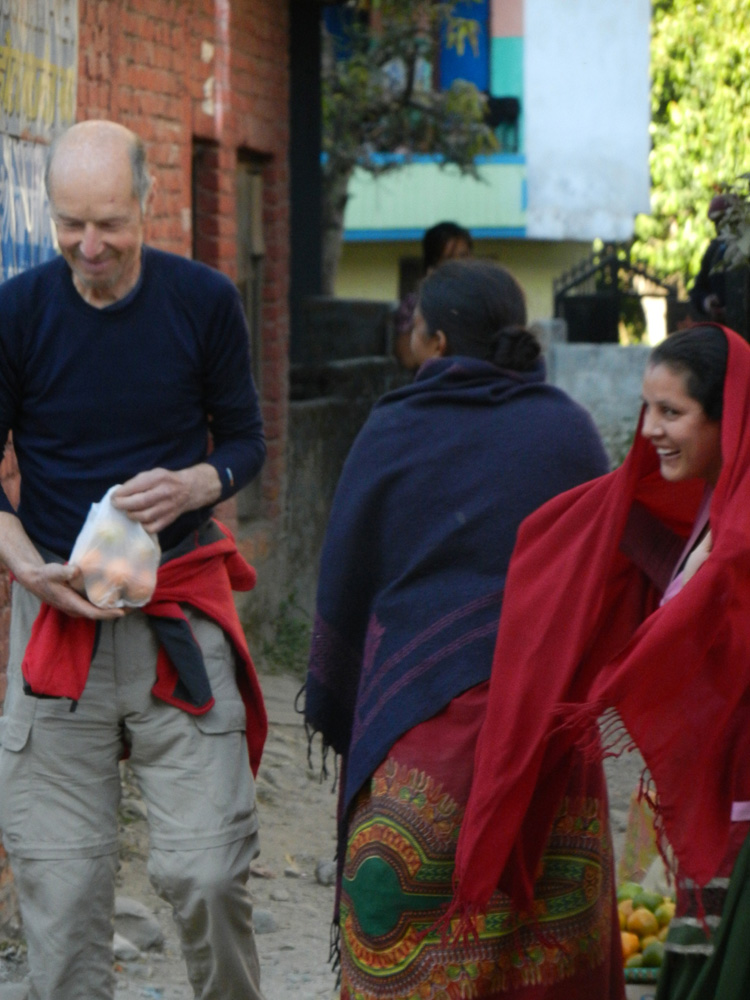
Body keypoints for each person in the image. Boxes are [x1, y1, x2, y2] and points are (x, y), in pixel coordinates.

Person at [0, 120, 268, 1000]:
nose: (90, 245)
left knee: (207, 871)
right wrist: (24, 568)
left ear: (148, 203)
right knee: (62, 889)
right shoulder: (18, 311)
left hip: (176, 613)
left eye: (109, 222)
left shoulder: (203, 301)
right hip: (57, 620)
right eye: (70, 223)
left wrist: (198, 483)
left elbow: (246, 444)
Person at [305, 258, 623, 998]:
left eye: (413, 328)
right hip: (547, 732)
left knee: (405, 940)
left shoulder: (393, 430)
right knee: (548, 950)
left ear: (438, 341)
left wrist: (345, 691)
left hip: (423, 734)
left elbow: (346, 574)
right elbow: (603, 580)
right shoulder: (569, 430)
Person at [449, 324, 750, 1000]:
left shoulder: (739, 530)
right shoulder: (710, 506)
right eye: (648, 410)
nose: (651, 430)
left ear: (728, 417)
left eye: (672, 413)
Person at [393, 220, 473, 368]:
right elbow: (408, 358)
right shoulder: (414, 303)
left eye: (463, 256)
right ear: (434, 264)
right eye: (449, 259)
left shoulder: (480, 300)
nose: (458, 266)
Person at [689, 196, 729, 322]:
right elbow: (697, 290)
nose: (719, 227)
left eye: (723, 220)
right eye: (716, 222)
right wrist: (707, 302)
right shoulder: (714, 250)